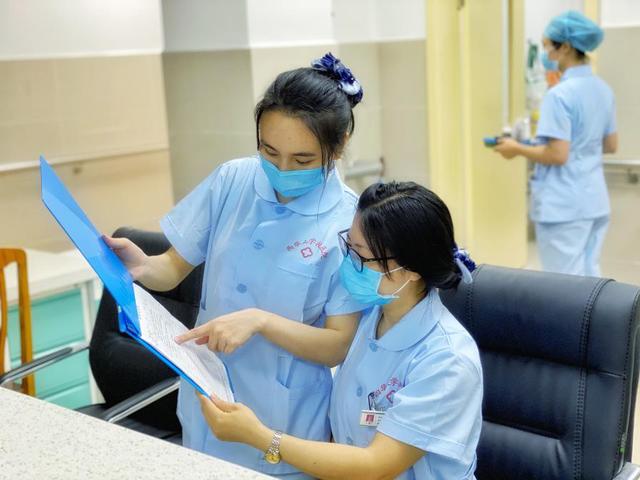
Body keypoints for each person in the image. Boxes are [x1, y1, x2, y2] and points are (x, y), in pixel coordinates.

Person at [105, 53, 367, 478]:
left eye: (302, 160)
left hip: (281, 422)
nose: (282, 169)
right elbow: (172, 268)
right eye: (269, 151)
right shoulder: (233, 180)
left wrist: (260, 321)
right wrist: (142, 267)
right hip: (204, 401)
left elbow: (337, 344)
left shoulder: (350, 224)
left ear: (338, 147)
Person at [198, 182, 484, 480]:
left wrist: (259, 436)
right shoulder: (373, 315)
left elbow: (375, 466)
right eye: (349, 247)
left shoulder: (447, 361)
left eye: (362, 256)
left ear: (411, 270)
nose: (349, 264)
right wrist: (259, 321)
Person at [494, 10, 618, 276]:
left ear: (566, 48)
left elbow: (558, 154)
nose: (545, 54)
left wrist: (516, 148)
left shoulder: (560, 94)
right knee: (590, 280)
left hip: (564, 207)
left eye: (547, 46)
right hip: (594, 201)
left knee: (565, 286)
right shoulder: (603, 89)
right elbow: (610, 144)